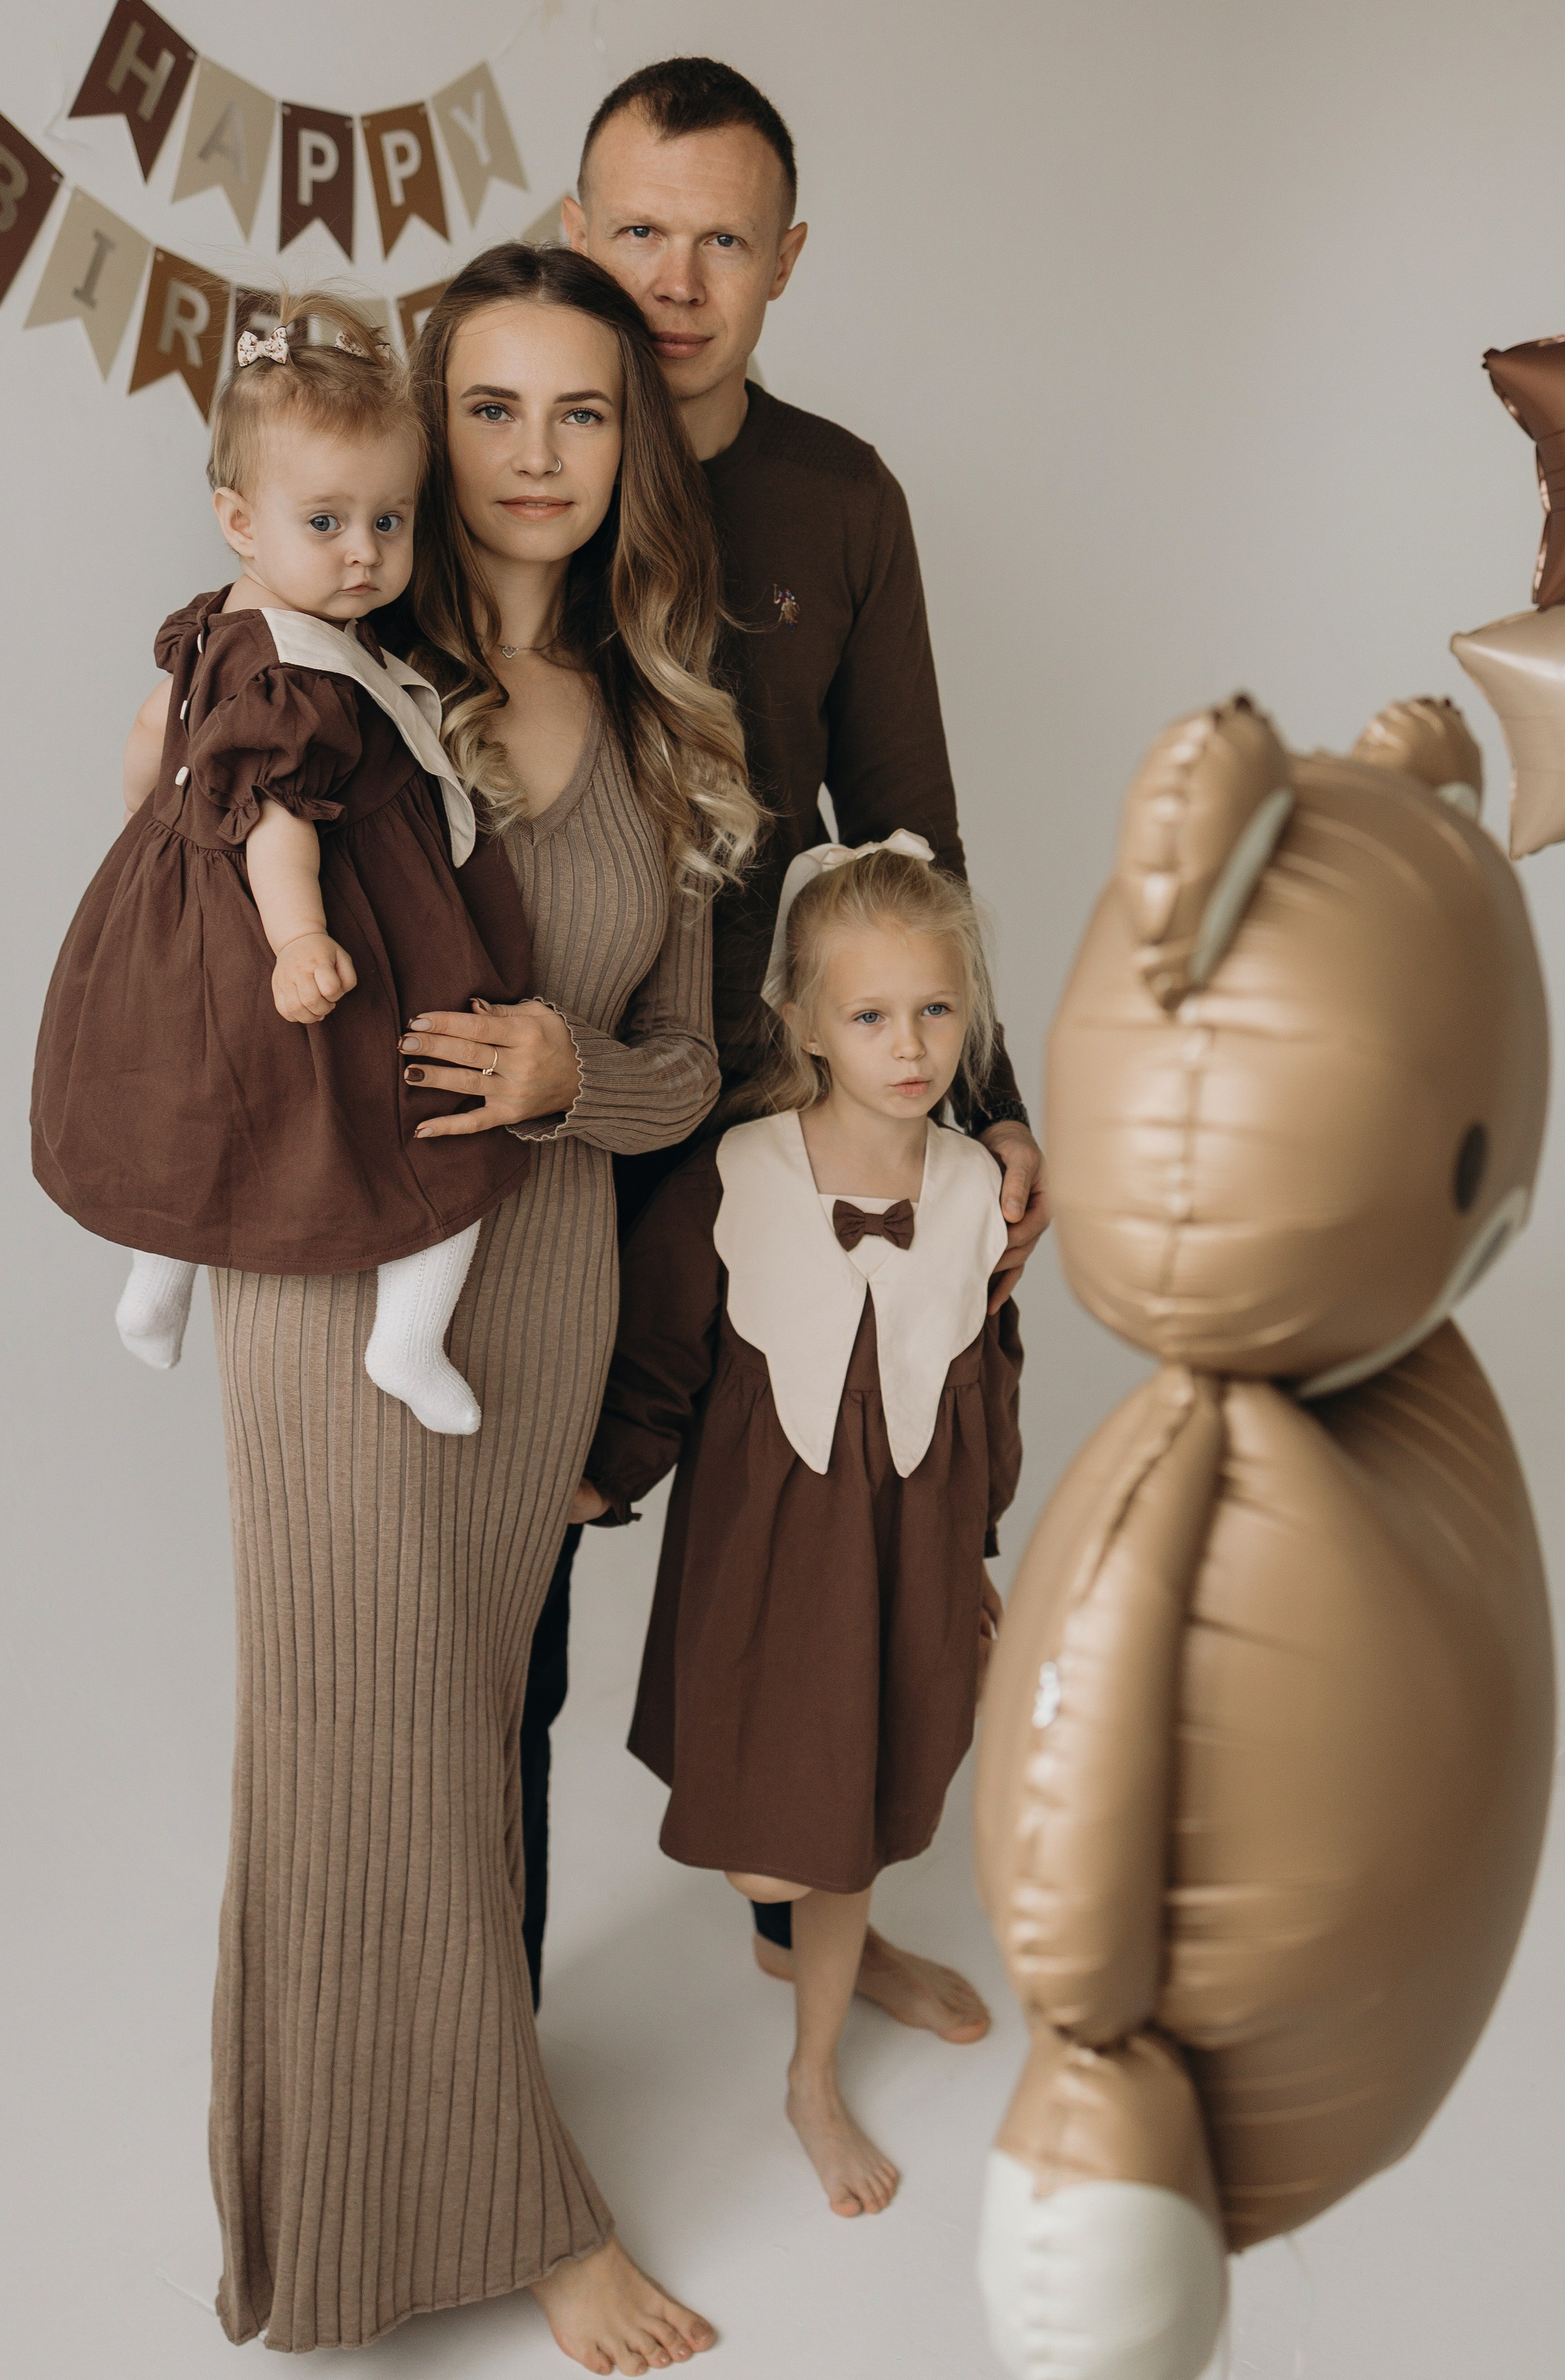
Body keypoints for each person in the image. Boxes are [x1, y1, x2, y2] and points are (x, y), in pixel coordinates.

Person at [155, 244, 759, 2373]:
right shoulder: (327, 658)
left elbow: (693, 1064)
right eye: (490, 407)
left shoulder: (669, 726)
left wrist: (568, 1076)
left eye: (581, 411)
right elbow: (196, 883)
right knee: (353, 1728)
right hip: (332, 1281)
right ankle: (488, 2217)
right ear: (433, 424)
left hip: (539, 1296)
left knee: (451, 1738)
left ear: (630, 445)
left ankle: (390, 2191)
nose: (534, 454)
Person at [526, 54, 1047, 2025]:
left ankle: (797, 1917)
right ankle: (489, 2014)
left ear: (788, 258)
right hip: (540, 1104)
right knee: (524, 1568)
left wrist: (986, 1112)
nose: (677, 280)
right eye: (640, 231)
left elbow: (909, 834)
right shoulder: (516, 461)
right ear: (576, 232)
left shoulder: (838, 500)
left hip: (762, 1111)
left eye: (724, 240)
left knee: (841, 1549)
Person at [572, 837, 1022, 2216]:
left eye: (935, 1010)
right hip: (768, 1565)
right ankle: (798, 1928)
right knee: (772, 1836)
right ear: (804, 1023)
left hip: (904, 1557)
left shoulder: (978, 1192)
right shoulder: (737, 1174)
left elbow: (987, 1383)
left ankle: (811, 2073)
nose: (910, 1046)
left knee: (855, 1805)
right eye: (871, 1015)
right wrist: (598, 1481)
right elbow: (659, 1358)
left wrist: (977, 1554)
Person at [30, 294, 539, 1435]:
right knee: (442, 1123)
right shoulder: (294, 680)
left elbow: (152, 733)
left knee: (201, 1105)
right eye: (326, 521)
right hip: (291, 916)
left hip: (191, 916)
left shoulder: (224, 625)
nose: (365, 550)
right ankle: (406, 1338)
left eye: (390, 520)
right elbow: (276, 826)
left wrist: (161, 836)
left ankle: (155, 1286)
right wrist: (301, 936)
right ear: (240, 520)